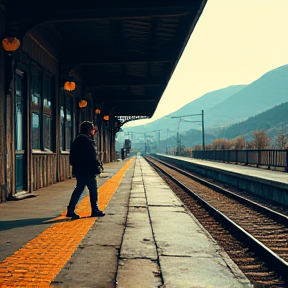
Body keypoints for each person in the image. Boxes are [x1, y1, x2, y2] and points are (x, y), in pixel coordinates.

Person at [66, 121, 105, 219]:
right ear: (88, 130)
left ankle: (70, 210)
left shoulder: (77, 140)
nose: (94, 131)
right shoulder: (87, 141)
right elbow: (93, 156)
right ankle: (94, 210)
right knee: (93, 190)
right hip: (88, 170)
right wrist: (98, 166)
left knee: (79, 189)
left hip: (80, 170)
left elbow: (72, 158)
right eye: (93, 129)